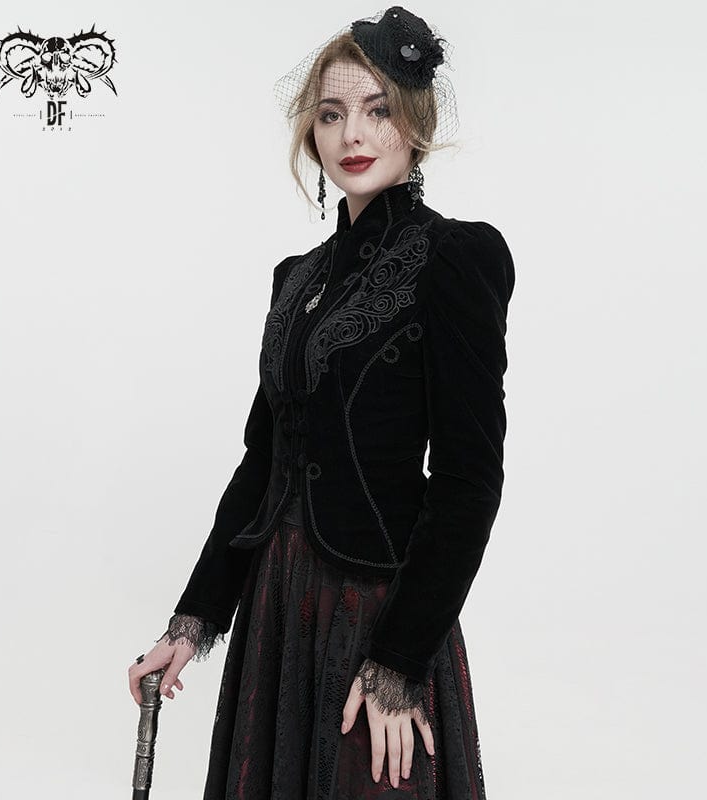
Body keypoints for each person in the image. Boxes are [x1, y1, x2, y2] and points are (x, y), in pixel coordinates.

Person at [128, 6, 515, 798]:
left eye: (378, 109)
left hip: (381, 613)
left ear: (416, 122)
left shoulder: (455, 258)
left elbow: (470, 482)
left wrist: (398, 662)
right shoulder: (295, 278)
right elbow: (265, 461)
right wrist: (191, 622)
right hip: (278, 610)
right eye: (331, 114)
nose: (352, 134)